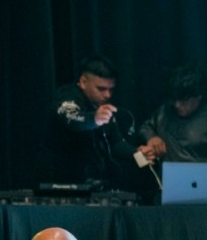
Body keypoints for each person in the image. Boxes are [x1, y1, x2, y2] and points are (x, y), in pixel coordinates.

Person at [41, 56, 144, 194]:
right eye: (101, 89)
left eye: (111, 89)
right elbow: (72, 118)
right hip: (59, 185)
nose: (107, 95)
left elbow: (115, 143)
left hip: (90, 185)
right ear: (83, 82)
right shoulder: (67, 97)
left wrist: (138, 154)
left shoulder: (101, 106)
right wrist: (93, 119)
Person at [138, 63, 207, 166]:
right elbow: (146, 127)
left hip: (198, 175)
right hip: (166, 175)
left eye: (184, 100)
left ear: (199, 96)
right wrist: (152, 137)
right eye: (174, 99)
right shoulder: (165, 111)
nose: (177, 105)